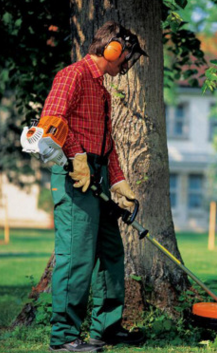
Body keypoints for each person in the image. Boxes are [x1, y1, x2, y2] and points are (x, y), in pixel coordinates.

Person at [41, 21, 147, 353]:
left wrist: (118, 181)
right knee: (76, 257)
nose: (126, 62)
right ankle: (64, 337)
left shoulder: (101, 88)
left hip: (97, 174)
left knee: (111, 252)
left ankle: (106, 328)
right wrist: (77, 156)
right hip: (75, 176)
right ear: (112, 49)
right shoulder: (72, 75)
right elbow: (51, 120)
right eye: (125, 54)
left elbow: (108, 143)